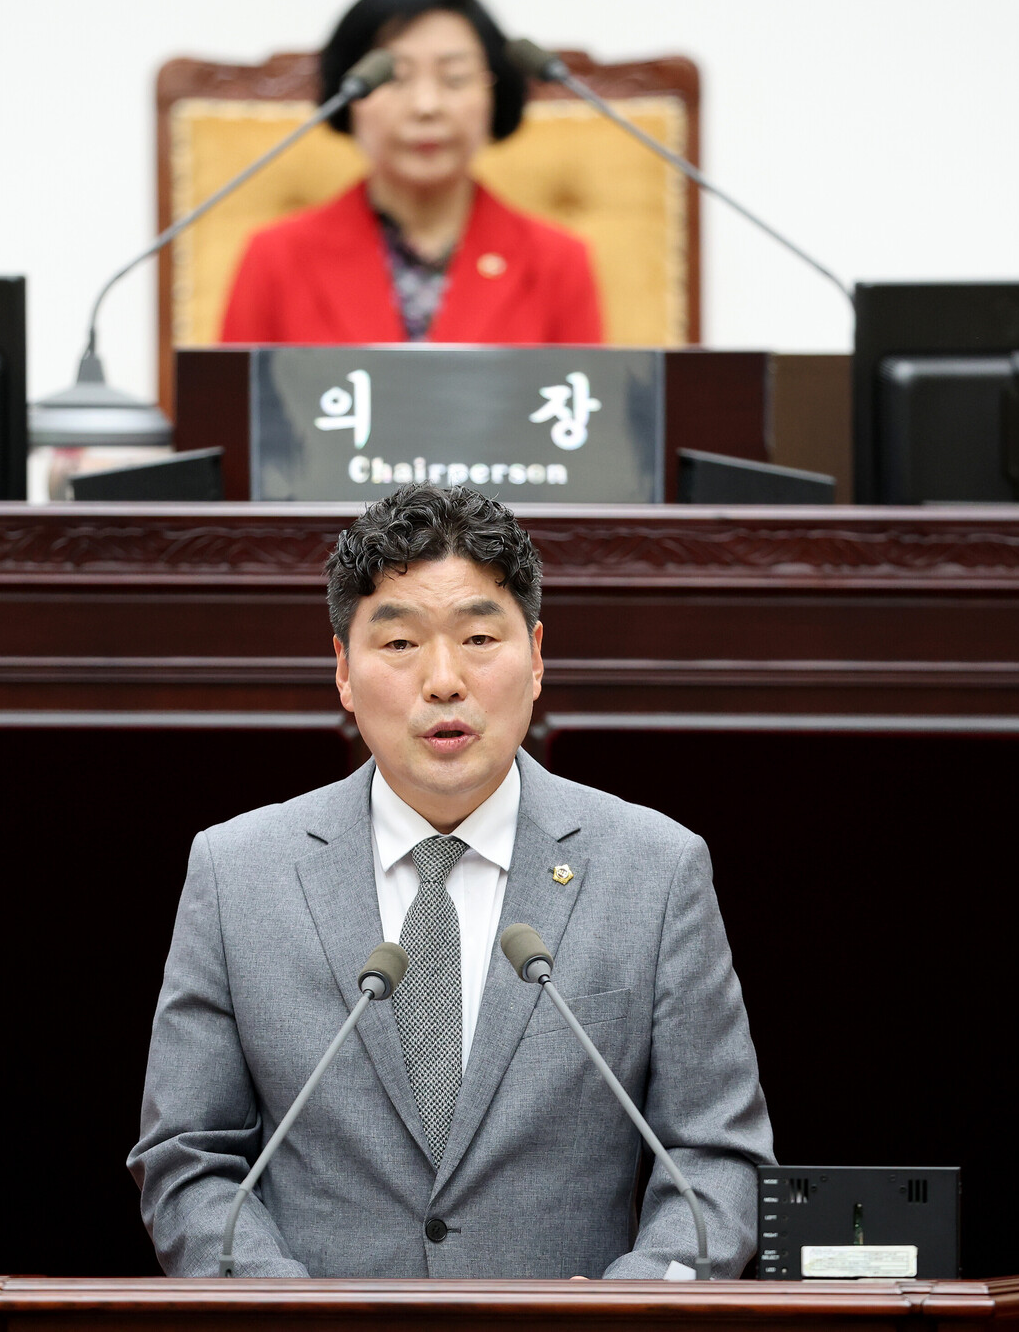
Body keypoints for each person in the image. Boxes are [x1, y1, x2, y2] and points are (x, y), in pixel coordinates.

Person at [130, 486, 772, 1278]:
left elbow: (716, 1156)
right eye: (400, 642)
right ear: (343, 670)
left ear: (536, 657)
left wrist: (633, 1305)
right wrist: (286, 1310)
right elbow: (188, 1158)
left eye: (478, 637)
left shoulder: (655, 869)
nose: (443, 680)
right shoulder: (238, 873)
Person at [219, 0, 603, 347]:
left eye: (455, 78)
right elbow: (231, 393)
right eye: (395, 78)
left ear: (495, 93)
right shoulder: (275, 258)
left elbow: (585, 391)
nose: (426, 106)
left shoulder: (558, 262)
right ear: (350, 95)